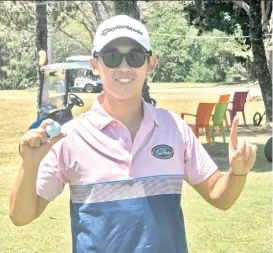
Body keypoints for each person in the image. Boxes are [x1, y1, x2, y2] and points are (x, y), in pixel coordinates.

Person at [9, 15, 257, 253]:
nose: (125, 67)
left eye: (135, 56)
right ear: (94, 65)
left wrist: (237, 173)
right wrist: (29, 166)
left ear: (151, 64)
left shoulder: (174, 128)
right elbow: (21, 216)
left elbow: (219, 196)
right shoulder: (70, 136)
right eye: (112, 56)